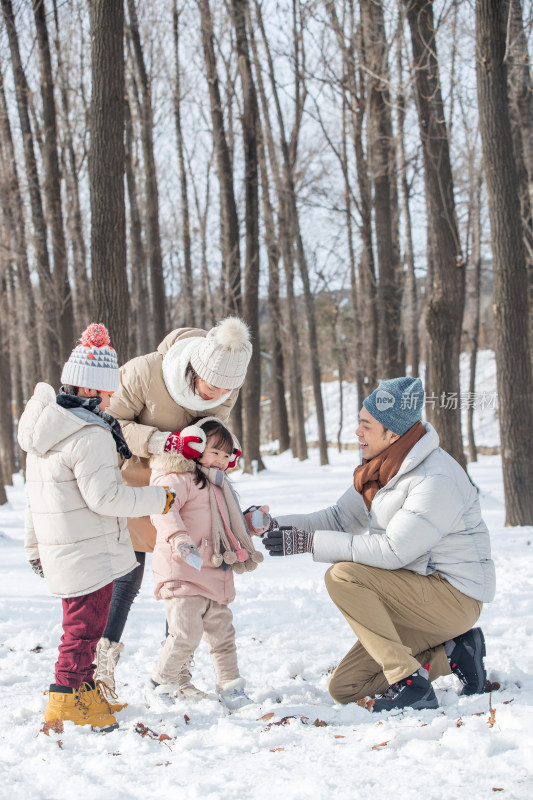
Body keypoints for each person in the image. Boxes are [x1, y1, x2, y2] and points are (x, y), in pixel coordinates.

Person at [261, 376, 495, 714]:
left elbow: (394, 551)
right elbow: (339, 518)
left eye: (366, 425)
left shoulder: (435, 479)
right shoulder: (383, 471)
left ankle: (409, 682)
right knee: (347, 687)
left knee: (343, 575)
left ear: (393, 434)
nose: (357, 432)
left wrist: (309, 543)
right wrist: (268, 525)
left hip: (453, 597)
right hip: (413, 593)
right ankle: (454, 654)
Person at [18, 324, 176, 731]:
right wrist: (159, 500)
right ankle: (64, 697)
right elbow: (106, 498)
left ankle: (84, 690)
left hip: (66, 549)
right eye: (108, 395)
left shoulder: (47, 433)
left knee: (82, 624)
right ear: (91, 392)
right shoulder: (90, 435)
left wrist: (34, 547)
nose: (110, 402)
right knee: (84, 630)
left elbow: (34, 500)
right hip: (89, 551)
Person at [95, 318, 253, 691]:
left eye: (225, 392)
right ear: (194, 369)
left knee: (188, 581)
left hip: (185, 491)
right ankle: (101, 669)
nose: (218, 397)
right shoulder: (144, 372)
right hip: (132, 482)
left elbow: (212, 433)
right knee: (126, 578)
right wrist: (164, 442)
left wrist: (220, 453)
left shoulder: (227, 385)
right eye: (211, 388)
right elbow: (109, 423)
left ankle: (177, 674)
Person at [146, 417, 263, 710]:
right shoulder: (178, 477)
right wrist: (178, 537)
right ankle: (160, 684)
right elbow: (162, 506)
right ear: (196, 447)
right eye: (215, 452)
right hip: (184, 570)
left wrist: (250, 522)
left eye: (226, 455)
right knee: (185, 634)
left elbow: (225, 524)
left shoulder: (220, 487)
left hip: (214, 573)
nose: (221, 460)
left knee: (223, 635)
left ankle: (231, 687)